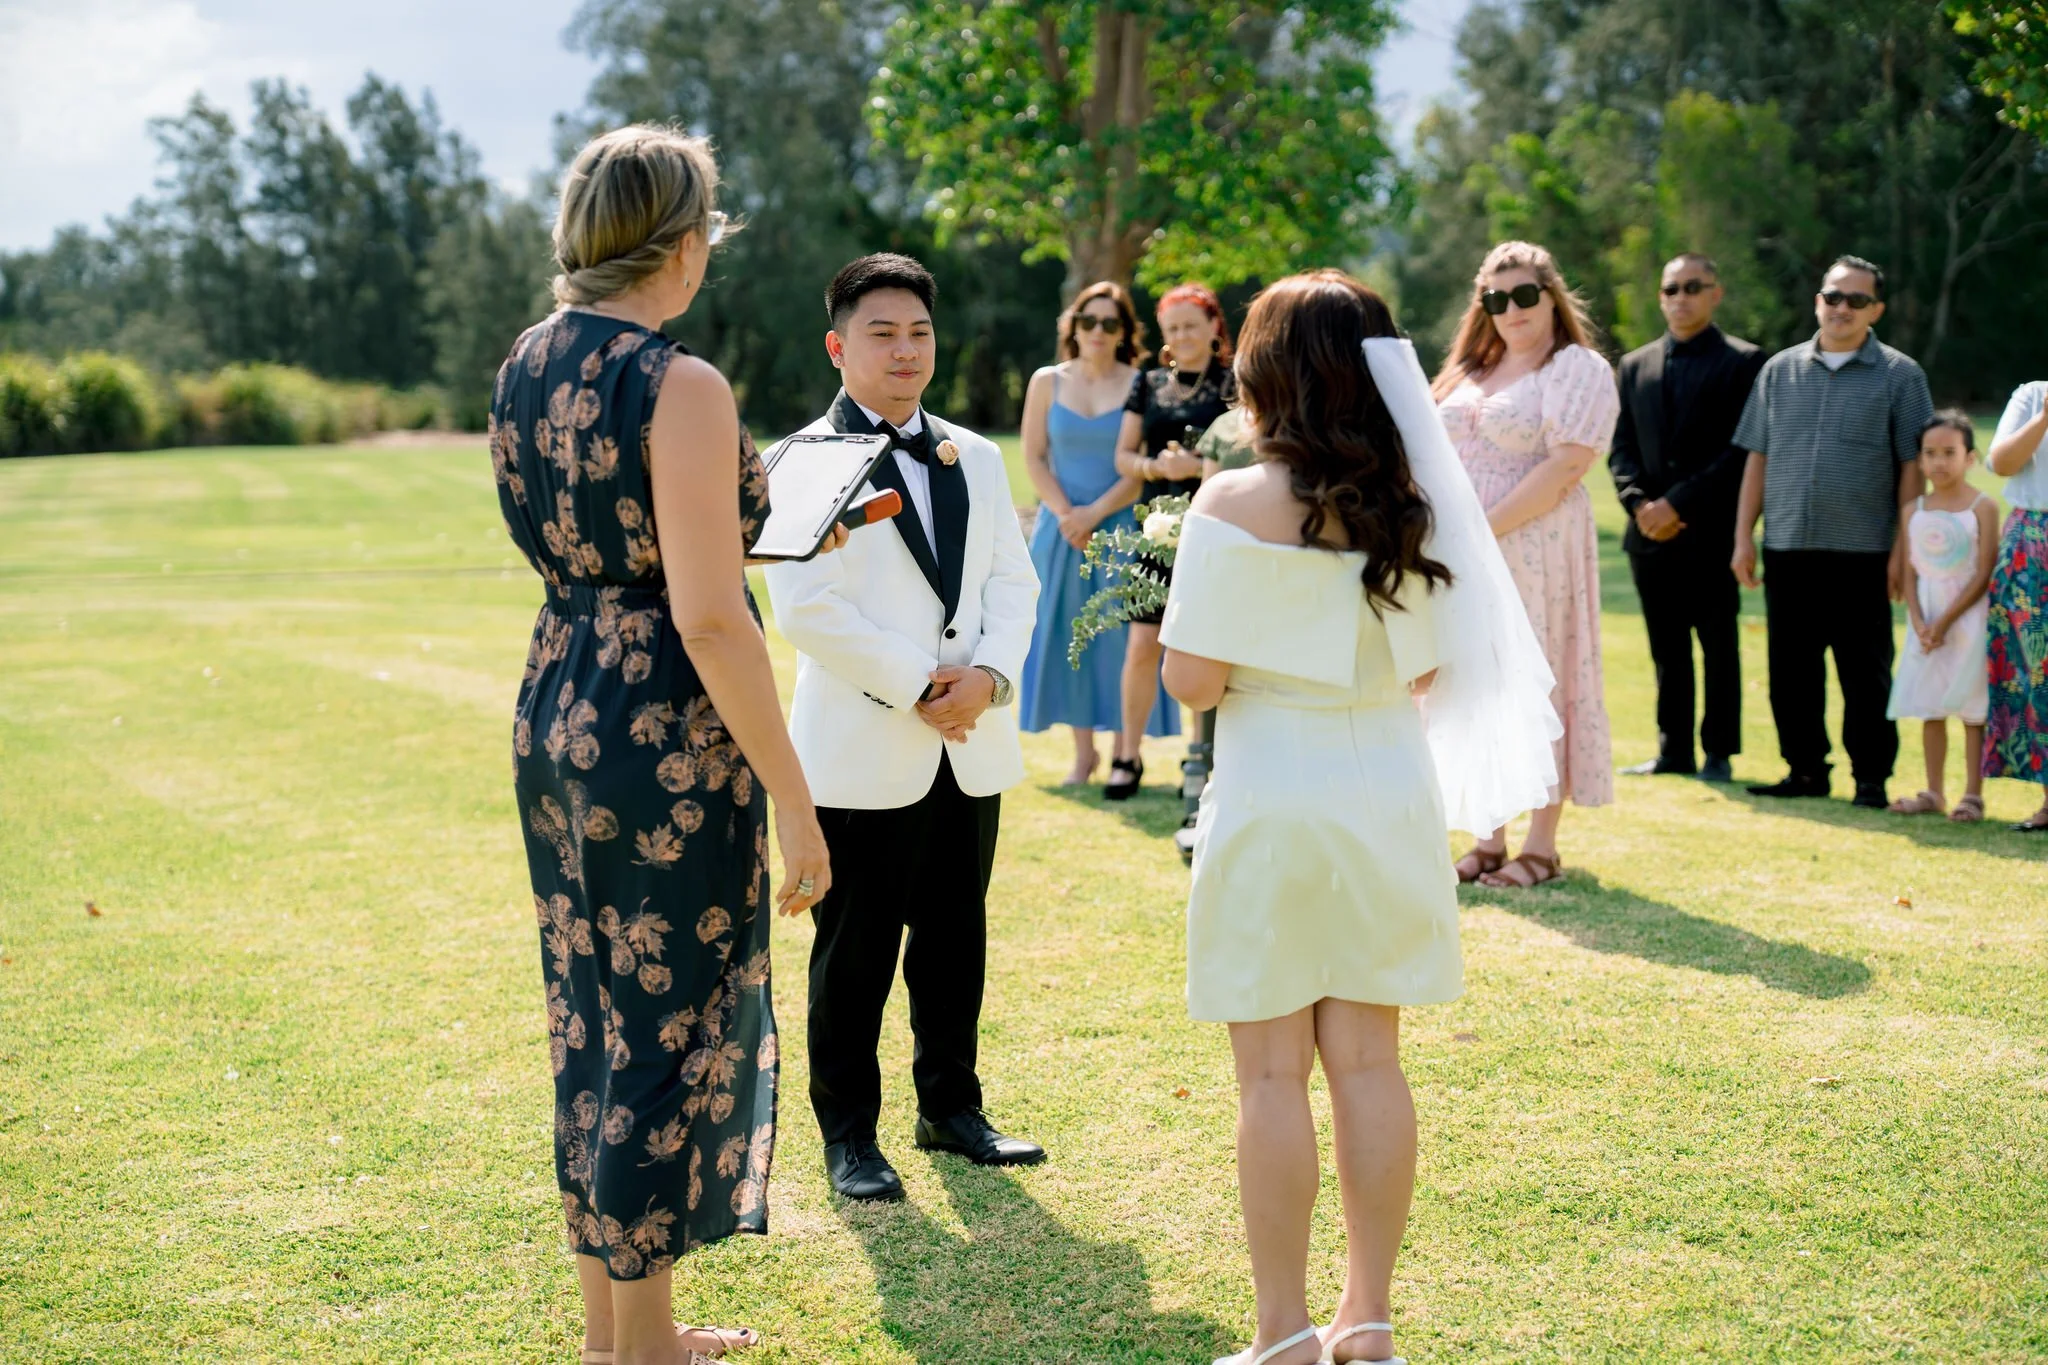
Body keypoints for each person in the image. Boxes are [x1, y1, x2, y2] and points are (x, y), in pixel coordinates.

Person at [1159, 269, 1559, 1365]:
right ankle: (1366, 1319)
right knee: (1370, 1065)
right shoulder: (1418, 504)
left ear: (1269, 372)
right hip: (1385, 789)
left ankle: (1282, 1331)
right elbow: (1431, 672)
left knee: (1271, 1074)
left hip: (1271, 794)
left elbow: (1189, 683)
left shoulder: (1229, 502)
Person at [492, 126, 845, 1365]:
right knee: (662, 1028)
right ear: (685, 245)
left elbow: (618, 549)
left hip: (562, 700)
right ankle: (639, 1349)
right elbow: (706, 613)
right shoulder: (678, 382)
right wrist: (794, 803)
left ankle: (619, 1331)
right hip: (663, 733)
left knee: (594, 1014)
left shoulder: (526, 360)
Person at [761, 254, 1044, 1205]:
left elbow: (1014, 582)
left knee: (956, 942)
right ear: (839, 346)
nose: (905, 349)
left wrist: (990, 678)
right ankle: (850, 1136)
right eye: (882, 333)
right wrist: (922, 682)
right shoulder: (799, 462)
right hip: (863, 752)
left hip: (969, 748)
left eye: (919, 332)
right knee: (855, 954)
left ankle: (951, 1107)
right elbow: (806, 606)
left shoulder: (979, 453)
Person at [1432, 241, 1620, 888]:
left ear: (1550, 296)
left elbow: (1566, 466)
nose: (1510, 310)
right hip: (1461, 554)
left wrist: (1482, 533)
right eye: (1495, 298)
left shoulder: (1576, 368)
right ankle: (1487, 837)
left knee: (1539, 677)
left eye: (1523, 295)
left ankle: (1540, 845)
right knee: (1477, 683)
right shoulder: (1469, 371)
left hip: (1534, 545)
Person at [1731, 255, 1935, 808]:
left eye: (1856, 300)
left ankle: (1870, 778)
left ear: (1877, 310)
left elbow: (1913, 465)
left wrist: (1903, 549)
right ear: (1818, 301)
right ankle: (1804, 771)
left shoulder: (1901, 376)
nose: (1841, 308)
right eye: (1832, 296)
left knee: (1863, 670)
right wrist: (1743, 537)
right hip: (1789, 544)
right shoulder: (1778, 370)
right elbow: (1758, 456)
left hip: (1863, 549)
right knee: (1790, 669)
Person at [1608, 253, 1764, 783]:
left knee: (1718, 646)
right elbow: (1621, 447)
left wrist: (1678, 503)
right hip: (1648, 537)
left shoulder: (1745, 363)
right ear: (1660, 296)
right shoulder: (1633, 365)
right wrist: (1639, 506)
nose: (1681, 297)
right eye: (1671, 288)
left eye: (1693, 287)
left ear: (1715, 293)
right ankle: (1672, 751)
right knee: (1666, 649)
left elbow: (1741, 451)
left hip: (1711, 532)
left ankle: (1718, 753)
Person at [1016, 282, 1180, 783]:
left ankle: (1123, 752)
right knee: (1067, 637)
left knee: (1119, 641)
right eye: (1089, 321)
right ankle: (1082, 753)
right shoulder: (1047, 381)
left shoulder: (1143, 383)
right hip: (1060, 530)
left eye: (1110, 324)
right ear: (1074, 326)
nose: (1098, 332)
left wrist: (1095, 514)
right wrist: (1067, 513)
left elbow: (1140, 467)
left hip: (1122, 530)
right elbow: (1033, 456)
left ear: (1124, 332)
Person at [1107, 282, 1236, 800]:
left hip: (1214, 527)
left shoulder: (1233, 383)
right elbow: (1122, 456)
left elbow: (1249, 449)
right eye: (1173, 328)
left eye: (1191, 325)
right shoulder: (1148, 382)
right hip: (1155, 527)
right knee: (1142, 644)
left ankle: (1199, 757)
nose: (1182, 336)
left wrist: (1199, 466)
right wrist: (1153, 466)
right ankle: (1127, 755)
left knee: (1202, 645)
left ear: (1212, 329)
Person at [1885, 412, 1998, 821]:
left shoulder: (1982, 507)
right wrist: (1918, 620)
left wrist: (1946, 621)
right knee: (1931, 706)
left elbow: (1984, 570)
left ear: (1969, 457)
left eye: (1949, 453)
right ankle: (1933, 791)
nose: (1939, 462)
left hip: (1966, 620)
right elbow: (1911, 572)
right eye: (1930, 453)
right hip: (1926, 623)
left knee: (1971, 708)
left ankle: (1973, 794)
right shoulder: (1913, 509)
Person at [1984, 378, 2048, 832]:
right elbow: (2000, 463)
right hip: (2032, 543)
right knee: (2037, 673)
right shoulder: (2033, 394)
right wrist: (2044, 419)